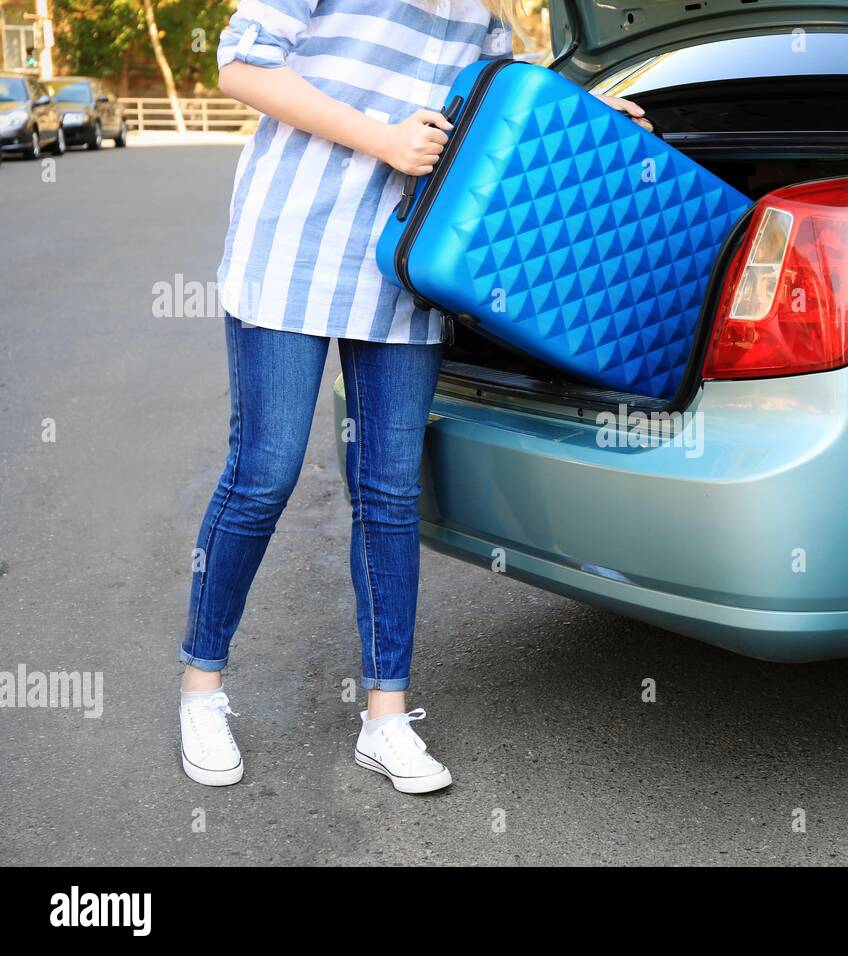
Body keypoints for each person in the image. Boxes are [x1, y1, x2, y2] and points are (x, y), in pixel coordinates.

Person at [177, 0, 651, 794]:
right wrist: (384, 138)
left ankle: (386, 717)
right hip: (294, 245)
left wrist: (585, 116)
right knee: (265, 473)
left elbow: (495, 106)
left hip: (409, 258)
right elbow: (241, 66)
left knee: (391, 491)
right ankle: (202, 688)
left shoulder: (488, 12)